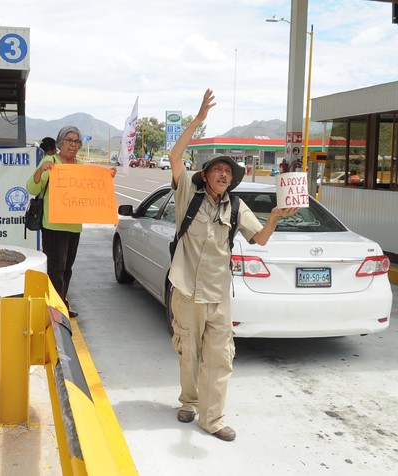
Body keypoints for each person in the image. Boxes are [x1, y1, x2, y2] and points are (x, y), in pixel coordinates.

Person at [167, 89, 298, 442]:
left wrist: (274, 216)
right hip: (185, 289)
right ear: (205, 175)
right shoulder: (186, 196)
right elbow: (175, 155)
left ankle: (213, 418)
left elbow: (261, 239)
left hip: (219, 295)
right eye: (217, 169)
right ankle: (188, 401)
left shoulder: (236, 208)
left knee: (221, 358)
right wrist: (197, 119)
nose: (223, 174)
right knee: (188, 353)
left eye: (228, 171)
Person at [26, 127, 117, 318]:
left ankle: (61, 304)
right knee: (55, 270)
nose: (73, 145)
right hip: (53, 226)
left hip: (74, 226)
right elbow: (32, 188)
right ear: (60, 143)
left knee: (67, 269)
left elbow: (93, 190)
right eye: (69, 140)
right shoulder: (50, 162)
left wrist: (106, 178)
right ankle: (55, 310)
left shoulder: (81, 166)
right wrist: (39, 171)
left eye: (76, 141)